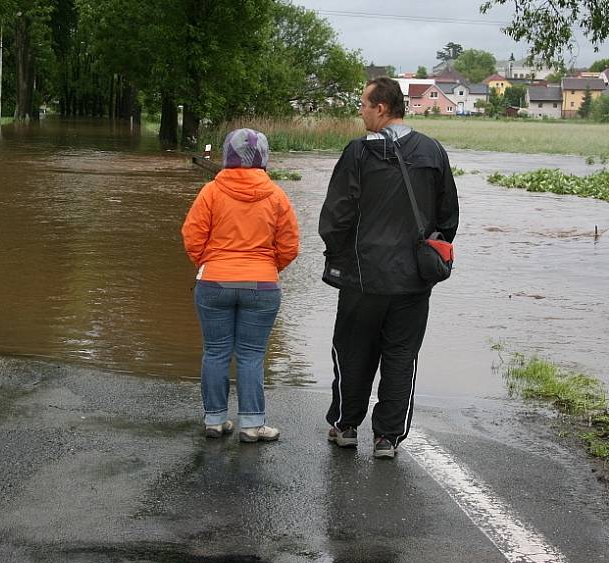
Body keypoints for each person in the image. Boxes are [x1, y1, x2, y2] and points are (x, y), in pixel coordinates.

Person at [319, 77, 459, 458]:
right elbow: (448, 220)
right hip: (413, 280)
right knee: (400, 357)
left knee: (351, 352)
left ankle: (346, 426)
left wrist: (338, 256)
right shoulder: (432, 151)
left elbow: (336, 216)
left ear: (381, 108)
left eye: (364, 104)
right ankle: (387, 438)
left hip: (362, 278)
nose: (360, 110)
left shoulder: (357, 154)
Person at [182, 128, 299, 443]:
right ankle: (251, 424)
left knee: (216, 352)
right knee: (250, 355)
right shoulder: (276, 195)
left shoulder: (211, 192)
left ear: (226, 156)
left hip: (214, 282)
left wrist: (210, 263)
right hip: (261, 285)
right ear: (263, 158)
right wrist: (268, 268)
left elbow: (192, 237)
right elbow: (289, 245)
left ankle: (215, 421)